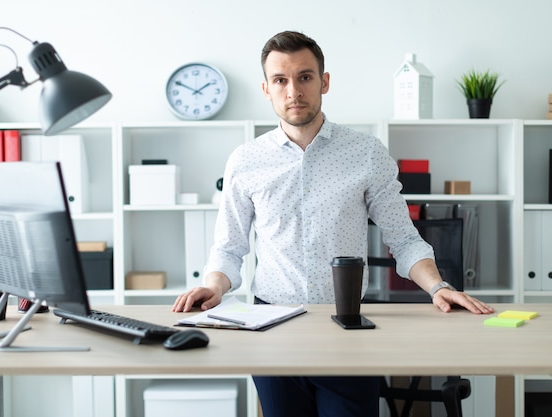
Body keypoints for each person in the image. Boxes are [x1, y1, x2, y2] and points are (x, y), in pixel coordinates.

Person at [172, 30, 494, 417]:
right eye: (281, 80)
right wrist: (213, 286)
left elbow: (403, 237)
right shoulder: (245, 160)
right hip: (272, 329)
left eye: (305, 77)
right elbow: (229, 247)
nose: (294, 91)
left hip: (346, 327)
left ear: (324, 81)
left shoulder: (366, 153)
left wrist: (437, 286)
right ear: (266, 89)